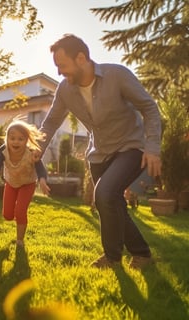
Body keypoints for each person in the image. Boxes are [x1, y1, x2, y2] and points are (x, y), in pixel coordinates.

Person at [37, 34, 162, 269]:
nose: (60, 73)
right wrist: (37, 149)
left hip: (130, 145)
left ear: (81, 58)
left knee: (104, 194)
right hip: (99, 152)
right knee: (110, 203)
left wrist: (153, 147)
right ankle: (142, 254)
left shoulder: (117, 75)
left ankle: (112, 258)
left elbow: (149, 107)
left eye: (63, 66)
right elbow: (51, 122)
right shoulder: (65, 89)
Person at [0, 120, 50, 247]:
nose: (16, 142)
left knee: (20, 211)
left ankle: (19, 240)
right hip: (10, 183)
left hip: (27, 184)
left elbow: (40, 169)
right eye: (12, 138)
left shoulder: (32, 153)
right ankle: (17, 216)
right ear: (7, 139)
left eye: (20, 139)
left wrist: (42, 181)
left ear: (27, 140)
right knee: (8, 215)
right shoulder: (3, 150)